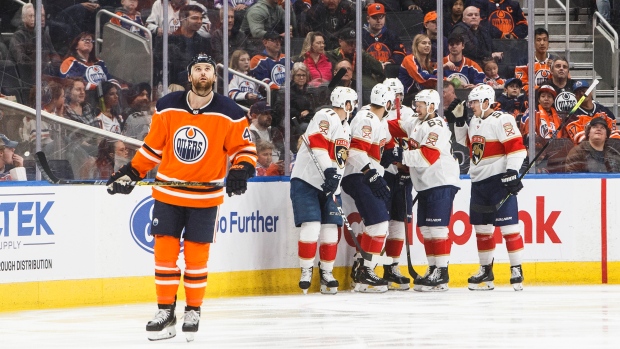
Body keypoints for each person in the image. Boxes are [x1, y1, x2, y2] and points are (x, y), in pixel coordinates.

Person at [106, 54, 257, 341]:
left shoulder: (231, 112)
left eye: (208, 70)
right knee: (164, 255)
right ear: (190, 76)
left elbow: (244, 150)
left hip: (205, 196)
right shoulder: (166, 106)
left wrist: (240, 169)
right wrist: (132, 171)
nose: (203, 74)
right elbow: (153, 147)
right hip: (168, 192)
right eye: (198, 69)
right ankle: (165, 311)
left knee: (197, 257)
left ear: (215, 77)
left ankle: (193, 310)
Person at [454, 84, 527, 291]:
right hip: (478, 182)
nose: (471, 106)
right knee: (482, 229)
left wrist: (512, 171)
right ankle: (486, 271)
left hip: (498, 180)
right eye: (471, 102)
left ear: (487, 102)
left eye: (475, 102)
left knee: (509, 227)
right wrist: (460, 121)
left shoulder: (503, 119)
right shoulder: (475, 120)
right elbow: (465, 141)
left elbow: (517, 148)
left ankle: (516, 269)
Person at [386, 89, 460, 291]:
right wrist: (375, 119)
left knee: (437, 228)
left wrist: (398, 155)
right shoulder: (416, 122)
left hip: (441, 180)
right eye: (415, 104)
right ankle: (433, 268)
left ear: (432, 107)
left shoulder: (437, 127)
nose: (416, 108)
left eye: (420, 105)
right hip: (425, 183)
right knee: (426, 229)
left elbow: (427, 156)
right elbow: (393, 126)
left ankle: (442, 273)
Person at [292, 86, 357, 294]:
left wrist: (334, 182)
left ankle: (327, 272)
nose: (353, 108)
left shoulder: (346, 128)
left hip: (329, 184)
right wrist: (330, 172)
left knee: (330, 227)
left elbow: (340, 159)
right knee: (311, 224)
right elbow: (318, 145)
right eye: (352, 104)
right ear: (347, 104)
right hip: (307, 180)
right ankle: (306, 270)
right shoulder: (325, 115)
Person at [341, 83, 394, 293]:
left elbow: (386, 146)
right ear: (388, 103)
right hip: (359, 175)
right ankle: (366, 272)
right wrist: (371, 174)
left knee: (371, 225)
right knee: (379, 224)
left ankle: (361, 269)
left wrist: (397, 155)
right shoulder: (367, 118)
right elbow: (355, 152)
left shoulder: (379, 121)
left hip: (364, 175)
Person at [378, 78, 416, 290]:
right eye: (393, 96)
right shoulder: (376, 114)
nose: (396, 100)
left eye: (399, 95)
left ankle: (392, 266)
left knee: (399, 220)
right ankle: (368, 264)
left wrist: (408, 166)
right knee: (377, 220)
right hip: (384, 172)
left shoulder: (410, 113)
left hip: (404, 173)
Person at [154, 4, 213, 86]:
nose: (199, 21)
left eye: (201, 18)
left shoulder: (204, 42)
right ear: (182, 19)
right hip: (174, 84)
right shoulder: (168, 41)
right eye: (195, 18)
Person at [9, 3, 61, 77]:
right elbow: (21, 60)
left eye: (35, 16)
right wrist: (43, 65)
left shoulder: (42, 34)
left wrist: (52, 65)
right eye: (30, 16)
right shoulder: (18, 36)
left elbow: (53, 54)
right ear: (24, 18)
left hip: (45, 74)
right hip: (27, 76)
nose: (33, 19)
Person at [325, 29, 386, 93]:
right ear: (340, 42)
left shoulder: (362, 55)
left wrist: (363, 54)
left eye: (355, 43)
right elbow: (332, 82)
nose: (353, 46)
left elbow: (379, 69)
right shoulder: (332, 55)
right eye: (349, 43)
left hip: (361, 89)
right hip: (340, 89)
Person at [565, 80, 620, 144]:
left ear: (591, 92)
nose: (582, 94)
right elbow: (580, 139)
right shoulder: (572, 115)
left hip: (607, 149)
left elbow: (614, 133)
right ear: (575, 97)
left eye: (584, 91)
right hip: (585, 151)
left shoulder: (605, 111)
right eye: (578, 92)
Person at [146, 0, 211, 38]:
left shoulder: (197, 7)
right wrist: (158, 30)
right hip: (165, 43)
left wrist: (185, 33)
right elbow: (148, 25)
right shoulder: (159, 4)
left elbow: (206, 33)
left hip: (190, 44)